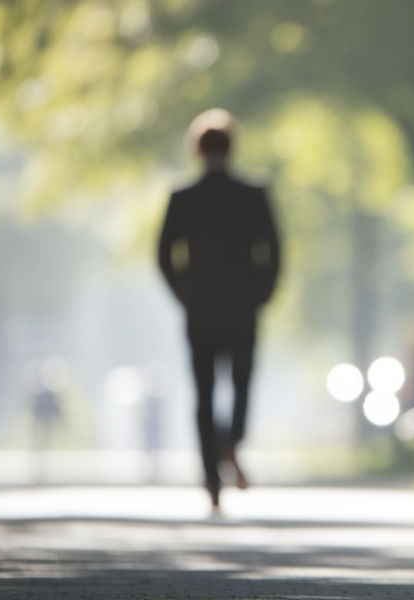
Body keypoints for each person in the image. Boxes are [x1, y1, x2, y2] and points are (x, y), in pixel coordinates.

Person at [158, 109, 280, 511]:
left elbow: (163, 256)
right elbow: (273, 252)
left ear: (196, 148)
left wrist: (185, 295)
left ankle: (211, 480)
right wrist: (260, 295)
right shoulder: (253, 194)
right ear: (232, 146)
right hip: (242, 311)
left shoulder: (182, 197)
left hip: (201, 312)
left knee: (204, 393)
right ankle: (231, 443)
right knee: (242, 385)